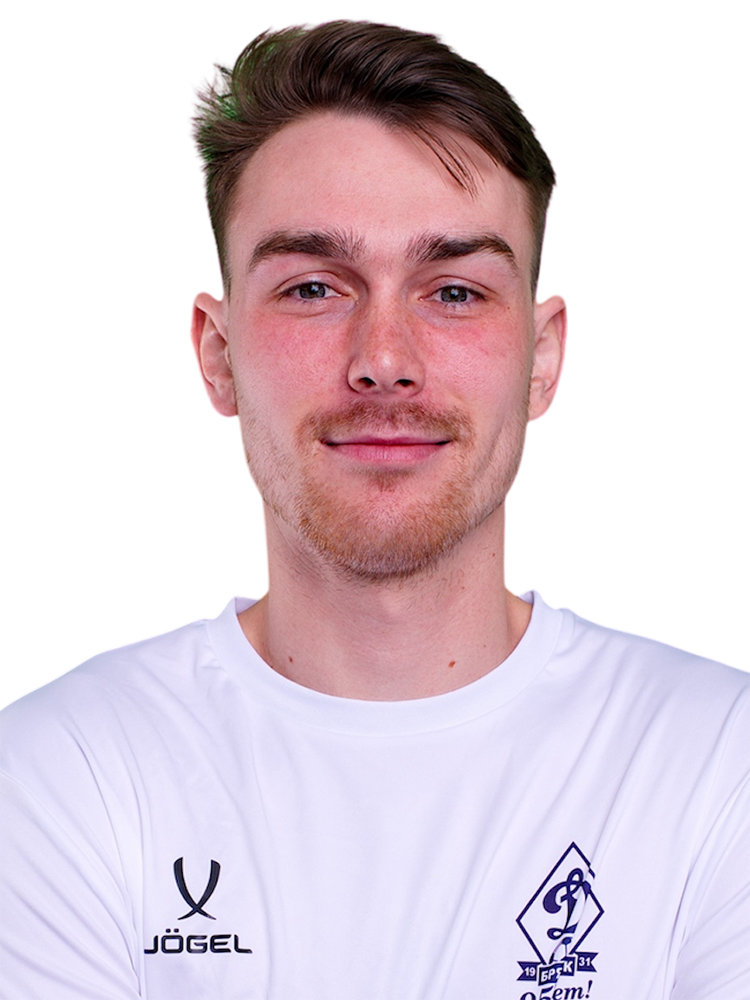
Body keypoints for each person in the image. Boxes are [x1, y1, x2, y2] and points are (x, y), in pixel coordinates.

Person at [2, 19, 749, 1000]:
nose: (384, 359)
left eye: (455, 291)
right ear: (217, 355)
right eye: (314, 287)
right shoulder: (59, 774)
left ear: (544, 356)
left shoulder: (718, 761)